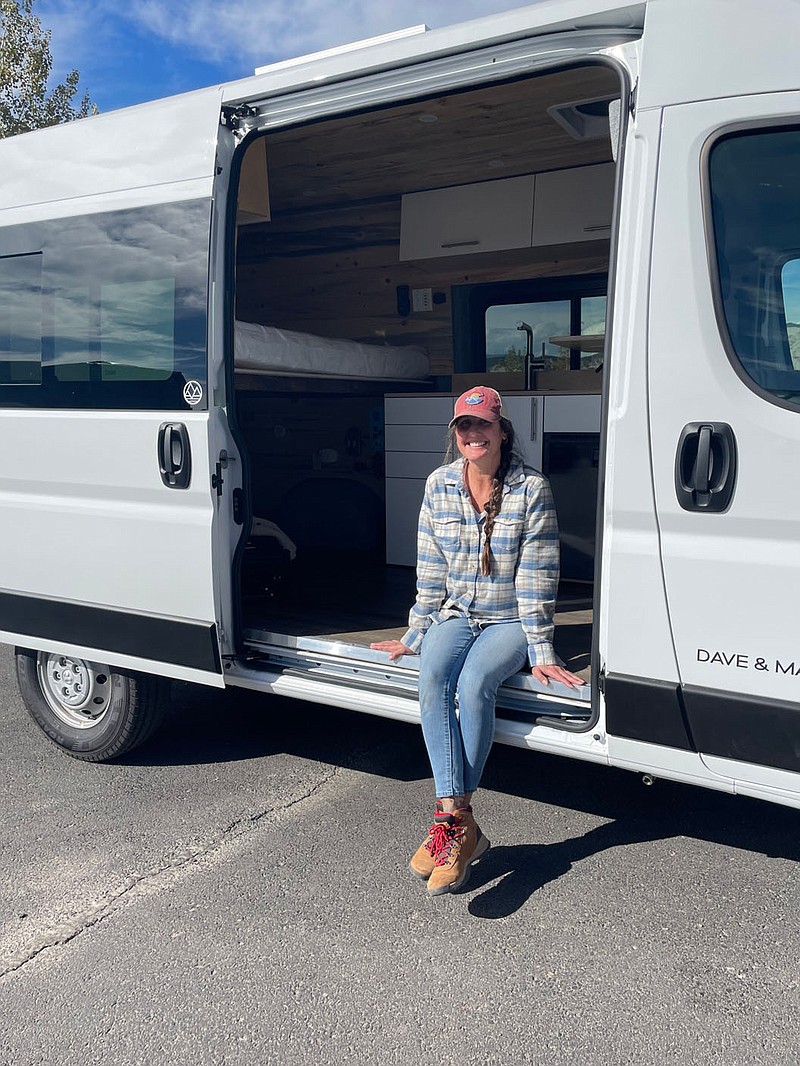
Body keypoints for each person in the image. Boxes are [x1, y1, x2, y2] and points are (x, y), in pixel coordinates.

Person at [371, 385, 584, 896]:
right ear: (456, 435)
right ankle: (458, 820)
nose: (473, 434)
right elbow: (430, 567)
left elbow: (539, 575)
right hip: (456, 613)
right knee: (432, 675)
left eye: (482, 425)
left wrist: (540, 651)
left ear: (502, 431)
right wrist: (417, 630)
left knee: (473, 685)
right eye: (464, 427)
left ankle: (450, 828)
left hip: (509, 618)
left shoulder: (531, 489)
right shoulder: (439, 484)